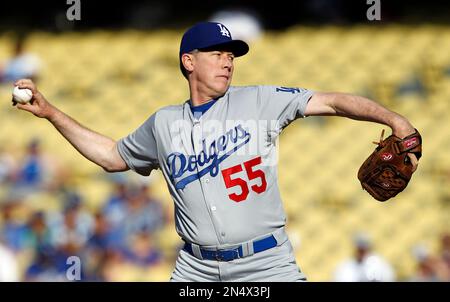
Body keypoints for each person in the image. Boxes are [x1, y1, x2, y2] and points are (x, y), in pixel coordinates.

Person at [12, 21, 420, 281]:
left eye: (231, 55)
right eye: (216, 54)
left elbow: (331, 101)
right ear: (189, 61)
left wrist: (396, 121)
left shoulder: (261, 101)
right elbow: (112, 156)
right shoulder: (164, 124)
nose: (227, 62)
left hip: (266, 265)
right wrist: (50, 112)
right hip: (197, 269)